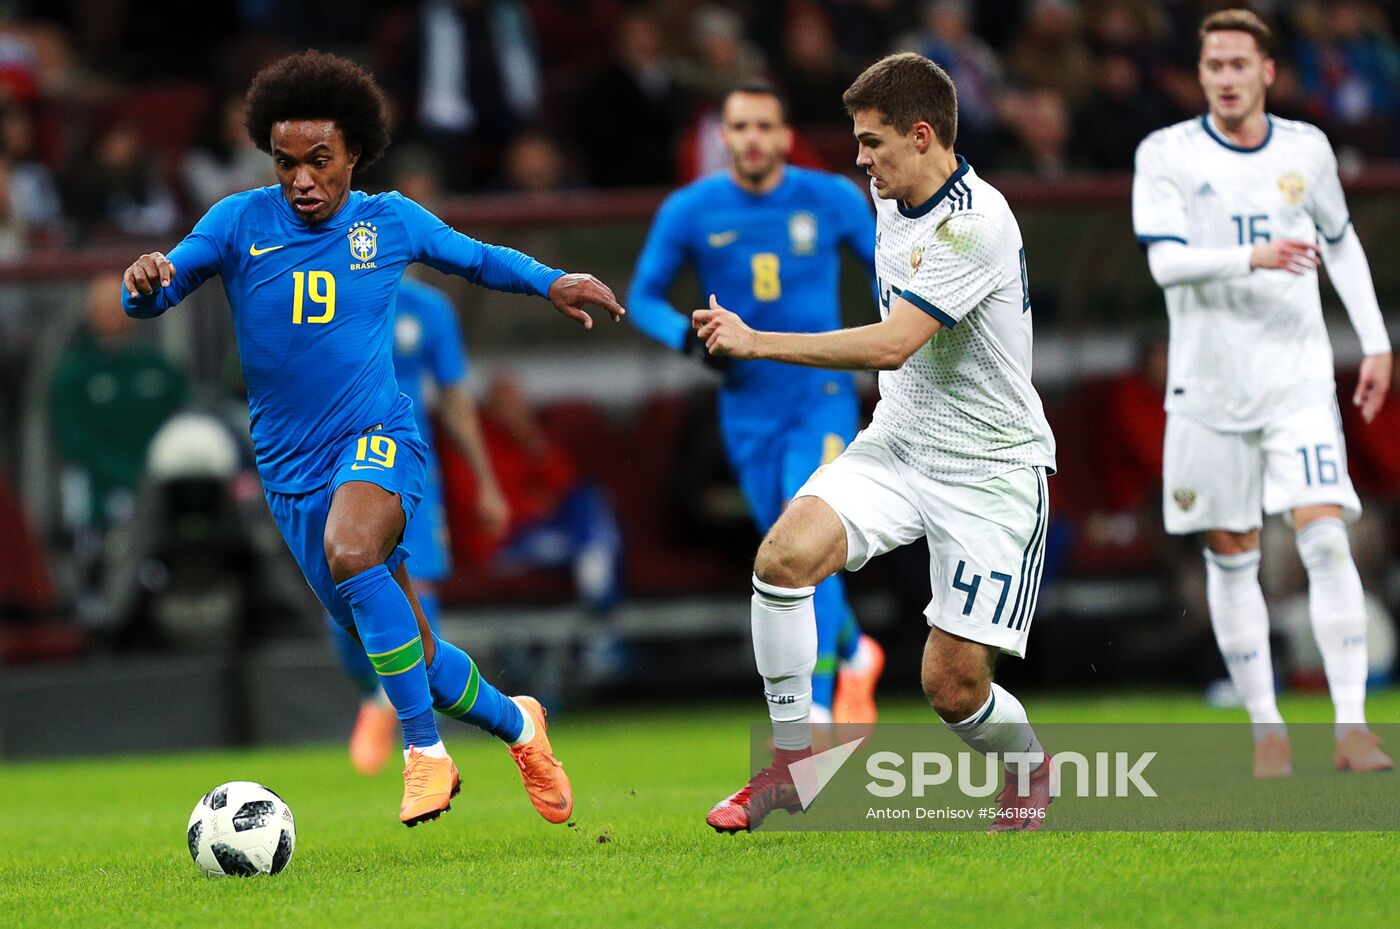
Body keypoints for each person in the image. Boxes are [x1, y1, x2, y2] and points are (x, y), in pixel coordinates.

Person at [120, 51, 626, 827]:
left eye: (319, 161)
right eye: (286, 163)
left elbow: (480, 259)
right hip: (291, 470)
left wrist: (551, 279)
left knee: (354, 552)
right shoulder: (236, 222)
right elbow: (160, 289)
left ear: (354, 151)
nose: (302, 180)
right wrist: (143, 281)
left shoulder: (387, 220)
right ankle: (521, 724)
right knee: (413, 651)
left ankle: (424, 754)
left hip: (378, 435)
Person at [696, 53, 1057, 833]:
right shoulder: (888, 196)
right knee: (782, 559)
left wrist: (759, 341)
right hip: (898, 442)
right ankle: (793, 761)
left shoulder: (976, 223)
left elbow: (894, 342)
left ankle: (1027, 761)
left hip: (990, 467)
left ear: (922, 136)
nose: (860, 159)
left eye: (872, 142)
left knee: (951, 687)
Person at [1132, 9, 1393, 778]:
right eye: (1214, 65)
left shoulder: (1306, 150)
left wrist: (1374, 339)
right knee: (1232, 553)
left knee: (1324, 533)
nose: (1226, 77)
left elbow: (1340, 241)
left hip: (1295, 378)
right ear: (1201, 73)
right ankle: (1267, 729)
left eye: (1240, 64)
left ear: (1268, 72)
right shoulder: (1167, 153)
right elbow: (1166, 266)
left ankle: (1352, 727)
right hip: (1209, 386)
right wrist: (1254, 254)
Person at [628, 79, 885, 732]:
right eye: (739, 127)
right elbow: (645, 296)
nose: (751, 140)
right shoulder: (690, 209)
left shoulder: (831, 199)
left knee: (806, 543)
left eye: (764, 127)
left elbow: (892, 272)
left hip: (819, 397)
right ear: (723, 136)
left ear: (785, 134)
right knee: (788, 553)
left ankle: (818, 708)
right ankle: (857, 652)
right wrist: (688, 341)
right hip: (744, 406)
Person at [327, 275, 512, 777]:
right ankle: (376, 696)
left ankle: (416, 733)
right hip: (335, 462)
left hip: (406, 467)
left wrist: (486, 481)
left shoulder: (431, 310)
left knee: (416, 591)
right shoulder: (327, 295)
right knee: (340, 605)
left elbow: (454, 396)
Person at [51, 273, 189, 626]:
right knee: (105, 550)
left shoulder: (157, 366)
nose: (112, 313)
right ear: (90, 313)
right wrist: (129, 478)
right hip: (104, 491)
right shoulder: (72, 374)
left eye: (117, 304)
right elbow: (77, 442)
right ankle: (100, 617)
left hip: (161, 483)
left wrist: (159, 475)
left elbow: (183, 421)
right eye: (103, 307)